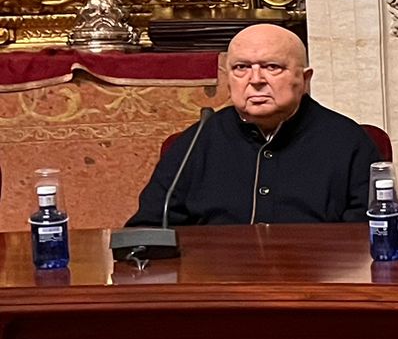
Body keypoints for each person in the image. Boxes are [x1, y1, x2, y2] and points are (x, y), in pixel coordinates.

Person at [128, 24, 378, 226]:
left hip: (314, 284)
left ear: (304, 79)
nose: (255, 80)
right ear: (228, 81)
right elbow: (150, 227)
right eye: (241, 68)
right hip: (217, 282)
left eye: (272, 67)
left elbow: (370, 235)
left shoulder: (348, 141)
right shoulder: (197, 141)